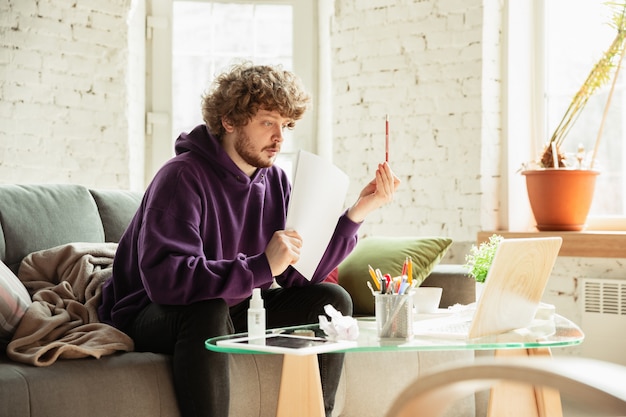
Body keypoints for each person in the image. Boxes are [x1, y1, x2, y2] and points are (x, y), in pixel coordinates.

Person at [98, 62, 400, 417]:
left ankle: (319, 413)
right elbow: (166, 282)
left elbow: (297, 275)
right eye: (268, 122)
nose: (280, 138)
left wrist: (356, 214)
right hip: (153, 312)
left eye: (286, 125)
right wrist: (261, 266)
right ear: (229, 121)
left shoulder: (274, 181)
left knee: (332, 300)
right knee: (208, 308)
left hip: (236, 305)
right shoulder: (181, 177)